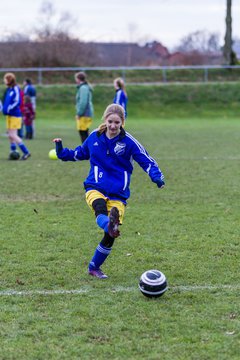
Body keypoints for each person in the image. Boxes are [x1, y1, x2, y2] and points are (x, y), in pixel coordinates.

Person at [53, 104, 165, 279]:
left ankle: (94, 266)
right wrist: (61, 152)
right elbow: (79, 153)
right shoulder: (94, 138)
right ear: (105, 120)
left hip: (118, 193)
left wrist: (156, 176)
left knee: (109, 236)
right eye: (110, 121)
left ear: (122, 123)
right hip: (95, 186)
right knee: (99, 207)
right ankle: (109, 224)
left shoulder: (129, 142)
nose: (113, 126)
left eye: (117, 123)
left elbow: (146, 160)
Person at [2, 73, 31, 160]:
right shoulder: (9, 89)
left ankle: (26, 152)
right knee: (10, 136)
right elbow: (7, 103)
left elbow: (17, 102)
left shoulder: (15, 89)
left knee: (13, 135)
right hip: (9, 115)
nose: (4, 80)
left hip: (15, 115)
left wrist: (9, 108)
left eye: (5, 79)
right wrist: (3, 108)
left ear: (9, 80)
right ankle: (13, 152)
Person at [75, 71, 94, 143]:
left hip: (84, 114)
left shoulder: (83, 88)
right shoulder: (84, 87)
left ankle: (87, 151)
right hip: (85, 113)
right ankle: (87, 151)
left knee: (83, 133)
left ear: (78, 79)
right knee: (84, 132)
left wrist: (79, 113)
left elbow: (83, 102)